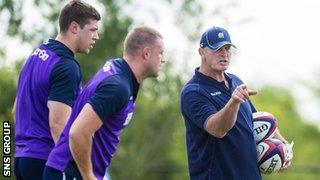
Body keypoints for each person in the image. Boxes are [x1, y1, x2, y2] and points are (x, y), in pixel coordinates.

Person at [43, 26, 165, 180]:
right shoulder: (118, 86)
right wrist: (88, 176)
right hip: (68, 172)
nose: (164, 59)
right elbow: (78, 132)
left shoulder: (120, 73)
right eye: (160, 53)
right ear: (146, 53)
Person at [180, 26, 293, 179]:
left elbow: (258, 120)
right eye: (217, 49)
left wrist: (284, 145)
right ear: (202, 52)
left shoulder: (236, 81)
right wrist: (233, 102)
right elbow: (217, 129)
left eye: (227, 48)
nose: (224, 54)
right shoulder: (193, 92)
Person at [13, 1, 100, 179]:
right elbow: (58, 125)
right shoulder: (66, 66)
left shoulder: (35, 55)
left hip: (21, 160)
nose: (96, 36)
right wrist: (80, 169)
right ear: (74, 27)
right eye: (92, 30)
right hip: (44, 161)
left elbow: (16, 111)